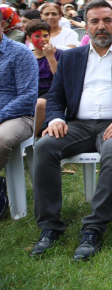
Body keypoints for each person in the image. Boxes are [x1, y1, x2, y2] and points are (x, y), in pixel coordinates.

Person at [30, 0, 112, 260]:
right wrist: (54, 119)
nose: (101, 27)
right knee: (44, 147)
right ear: (86, 27)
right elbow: (55, 96)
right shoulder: (71, 57)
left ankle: (93, 228)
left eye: (107, 20)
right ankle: (49, 227)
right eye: (94, 22)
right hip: (77, 125)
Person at [0, 15, 37, 220]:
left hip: (18, 116)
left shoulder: (20, 53)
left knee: (1, 139)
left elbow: (28, 97)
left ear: (3, 25)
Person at [25, 20, 62, 136]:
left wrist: (50, 57)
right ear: (29, 39)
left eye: (45, 35)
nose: (42, 39)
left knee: (40, 104)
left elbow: (59, 78)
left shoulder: (59, 54)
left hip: (52, 92)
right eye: (37, 36)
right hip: (31, 91)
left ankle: (29, 140)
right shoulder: (26, 56)